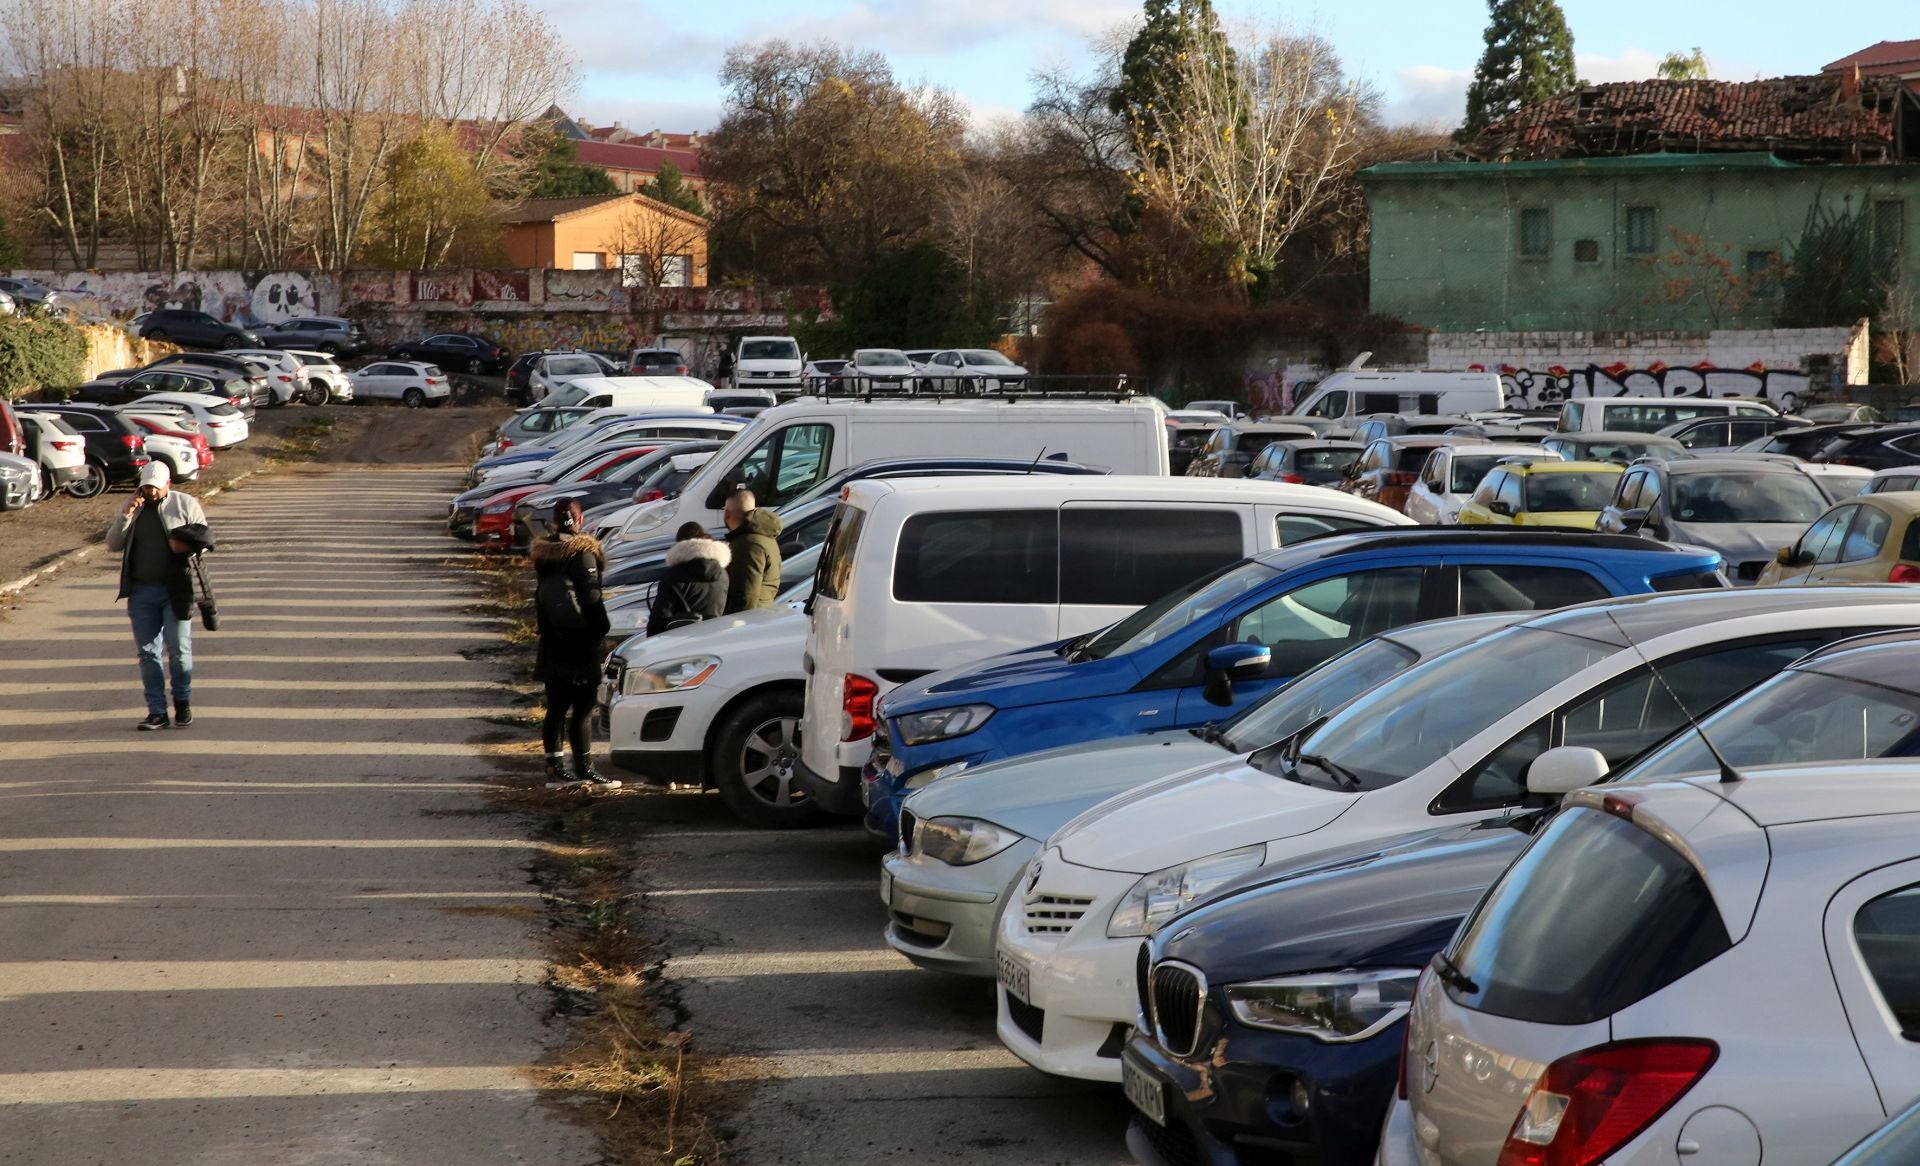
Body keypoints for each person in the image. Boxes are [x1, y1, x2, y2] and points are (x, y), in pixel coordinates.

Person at [104, 462, 213, 730]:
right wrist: (126, 516)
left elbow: (206, 540)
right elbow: (113, 544)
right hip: (141, 591)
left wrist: (184, 545)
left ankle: (183, 702)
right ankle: (156, 711)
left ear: (168, 484)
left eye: (155, 486)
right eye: (146, 486)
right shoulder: (134, 506)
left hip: (176, 590)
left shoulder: (185, 504)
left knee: (179, 649)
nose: (150, 492)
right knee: (148, 653)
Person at [531, 498, 621, 788]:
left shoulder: (545, 554)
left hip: (552, 642)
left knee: (556, 707)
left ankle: (554, 768)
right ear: (580, 520)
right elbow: (592, 600)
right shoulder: (583, 554)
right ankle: (584, 767)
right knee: (583, 708)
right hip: (581, 644)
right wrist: (602, 630)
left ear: (555, 520)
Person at [647, 521, 730, 636]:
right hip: (716, 636)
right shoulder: (722, 573)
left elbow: (660, 618)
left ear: (679, 544)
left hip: (683, 640)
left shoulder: (674, 575)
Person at [722, 488, 783, 613]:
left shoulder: (747, 544)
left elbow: (745, 596)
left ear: (726, 514)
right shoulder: (765, 536)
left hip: (749, 621)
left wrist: (732, 626)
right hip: (761, 615)